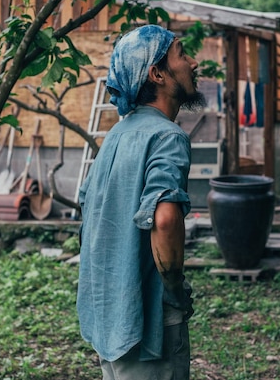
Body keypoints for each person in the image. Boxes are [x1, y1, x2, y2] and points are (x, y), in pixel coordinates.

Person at [77, 24, 206, 380]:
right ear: (157, 73)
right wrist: (176, 289)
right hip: (149, 327)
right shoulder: (167, 137)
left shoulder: (116, 135)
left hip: (107, 320)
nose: (193, 62)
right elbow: (164, 221)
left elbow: (87, 217)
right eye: (182, 53)